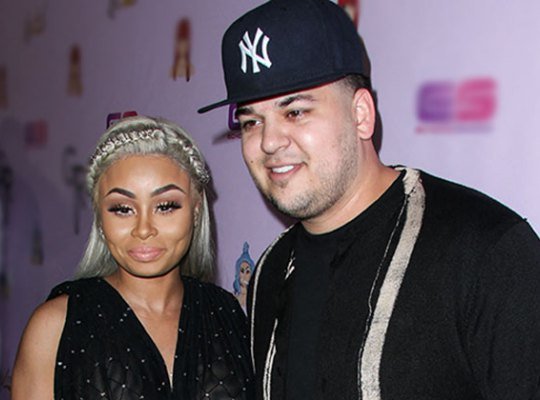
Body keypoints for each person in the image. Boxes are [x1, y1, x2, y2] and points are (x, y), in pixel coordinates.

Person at [198, 0, 540, 399]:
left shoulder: (486, 251)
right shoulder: (270, 271)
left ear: (361, 114)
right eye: (251, 121)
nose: (269, 142)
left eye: (295, 112)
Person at [11, 116, 254, 399]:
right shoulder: (55, 325)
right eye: (122, 209)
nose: (144, 229)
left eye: (166, 206)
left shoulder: (226, 312)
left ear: (196, 209)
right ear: (100, 217)